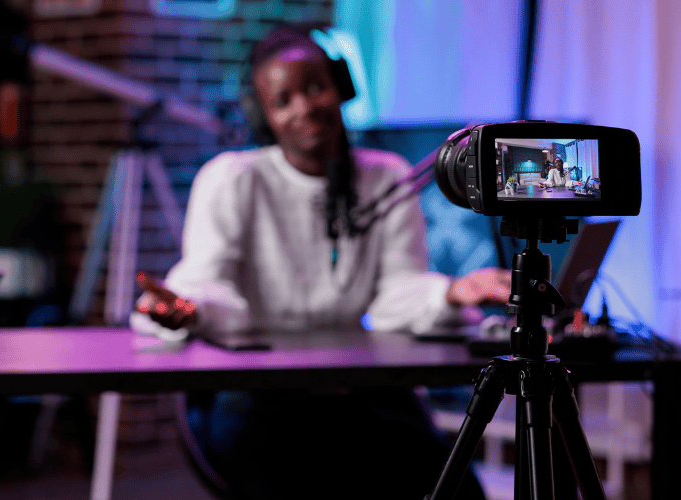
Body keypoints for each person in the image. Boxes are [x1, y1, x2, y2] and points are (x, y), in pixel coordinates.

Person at [130, 23, 508, 499]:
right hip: (259, 396)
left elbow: (397, 294)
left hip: (363, 391)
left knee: (451, 484)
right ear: (263, 114)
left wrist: (453, 292)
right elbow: (208, 280)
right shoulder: (231, 180)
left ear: (341, 88)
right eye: (284, 99)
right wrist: (187, 308)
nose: (305, 107)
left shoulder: (385, 178)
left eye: (316, 87)